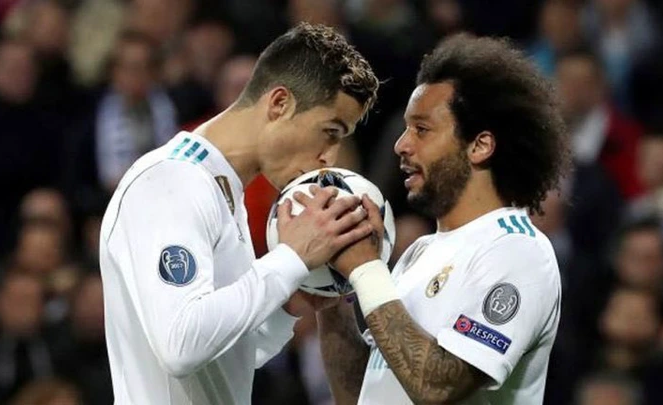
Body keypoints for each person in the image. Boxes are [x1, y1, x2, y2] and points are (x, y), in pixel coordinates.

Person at [98, 23, 379, 405]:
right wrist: (290, 259)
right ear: (279, 103)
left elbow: (225, 358)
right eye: (330, 131)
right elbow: (180, 345)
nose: (329, 158)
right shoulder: (171, 181)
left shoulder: (221, 187)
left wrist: (290, 297)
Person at [316, 33, 568, 404]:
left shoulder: (517, 251)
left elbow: (437, 387)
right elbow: (362, 395)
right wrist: (332, 297)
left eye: (421, 129)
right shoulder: (419, 253)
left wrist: (366, 269)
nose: (401, 144)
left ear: (480, 145)